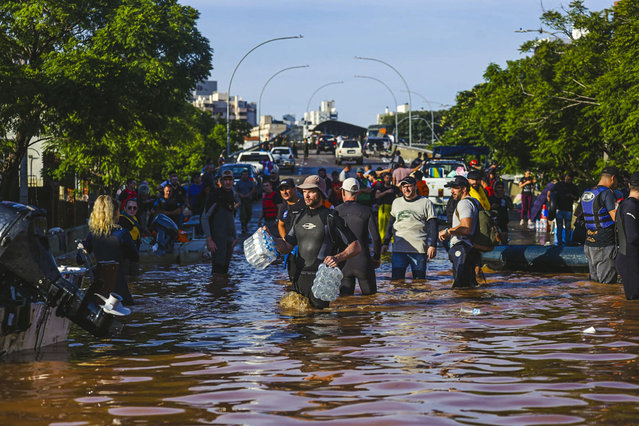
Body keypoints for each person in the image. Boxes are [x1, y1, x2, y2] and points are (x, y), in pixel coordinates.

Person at [271, 175, 361, 309]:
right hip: (299, 278)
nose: (306, 195)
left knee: (319, 323)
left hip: (321, 280)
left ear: (321, 193)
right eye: (304, 191)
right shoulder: (298, 217)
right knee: (297, 323)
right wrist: (271, 239)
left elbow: (356, 246)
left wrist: (337, 258)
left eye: (311, 191)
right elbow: (286, 247)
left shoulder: (331, 217)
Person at [83, 195, 139, 304]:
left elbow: (79, 259)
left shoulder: (91, 235)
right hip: (120, 292)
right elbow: (135, 256)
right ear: (114, 212)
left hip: (99, 294)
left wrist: (84, 243)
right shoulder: (122, 233)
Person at [381, 176, 437, 280]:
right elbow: (391, 224)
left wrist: (433, 245)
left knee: (419, 281)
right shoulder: (396, 202)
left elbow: (433, 225)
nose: (406, 189)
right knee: (396, 281)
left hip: (419, 249)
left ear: (415, 187)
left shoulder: (426, 202)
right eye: (403, 187)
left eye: (409, 186)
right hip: (399, 249)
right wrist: (385, 243)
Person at [335, 178, 381, 296]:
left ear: (343, 192)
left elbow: (331, 239)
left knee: (346, 303)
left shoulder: (336, 211)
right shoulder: (367, 210)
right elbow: (376, 238)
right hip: (363, 261)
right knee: (371, 301)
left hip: (344, 262)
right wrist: (376, 257)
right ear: (359, 192)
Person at [438, 176, 480, 288]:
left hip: (462, 248)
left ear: (464, 189)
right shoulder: (474, 201)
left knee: (459, 287)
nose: (452, 191)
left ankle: (462, 305)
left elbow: (466, 228)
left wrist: (447, 231)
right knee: (470, 287)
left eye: (455, 188)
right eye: (451, 188)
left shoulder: (464, 204)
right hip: (471, 248)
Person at [580, 166, 620, 283]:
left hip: (589, 243)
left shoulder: (587, 192)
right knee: (607, 286)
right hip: (604, 244)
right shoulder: (607, 193)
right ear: (612, 178)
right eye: (617, 181)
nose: (617, 184)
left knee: (595, 283)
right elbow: (615, 218)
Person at [202, 169, 238, 275]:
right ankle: (216, 291)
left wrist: (235, 237)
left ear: (233, 181)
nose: (227, 182)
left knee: (225, 271)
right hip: (217, 239)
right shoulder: (215, 195)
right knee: (217, 271)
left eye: (230, 179)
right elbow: (204, 218)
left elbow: (231, 217)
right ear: (220, 181)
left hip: (229, 239)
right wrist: (209, 239)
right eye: (225, 180)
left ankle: (223, 291)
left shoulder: (233, 194)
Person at [616, 172, 639, 299]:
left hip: (629, 259)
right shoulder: (630, 206)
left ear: (629, 185)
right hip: (630, 262)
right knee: (634, 306)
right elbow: (632, 236)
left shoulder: (626, 204)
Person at [549, 173, 579, 244]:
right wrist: (552, 204)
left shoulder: (573, 187)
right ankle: (559, 241)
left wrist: (571, 195)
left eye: (569, 179)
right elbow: (550, 193)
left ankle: (567, 241)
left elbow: (577, 198)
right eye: (567, 178)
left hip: (568, 209)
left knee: (568, 227)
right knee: (559, 226)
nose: (567, 180)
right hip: (559, 209)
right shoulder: (559, 185)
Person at [118, 198, 141, 276]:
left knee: (134, 278)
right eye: (129, 207)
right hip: (125, 256)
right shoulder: (122, 220)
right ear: (124, 208)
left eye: (134, 208)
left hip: (133, 254)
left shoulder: (134, 218)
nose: (132, 210)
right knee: (127, 277)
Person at [375, 172, 398, 242]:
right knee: (383, 227)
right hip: (383, 209)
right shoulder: (381, 187)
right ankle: (383, 243)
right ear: (384, 179)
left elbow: (400, 196)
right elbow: (377, 195)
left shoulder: (394, 188)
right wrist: (386, 192)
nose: (388, 179)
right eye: (386, 178)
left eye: (389, 178)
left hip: (393, 209)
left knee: (393, 226)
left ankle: (393, 242)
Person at [235, 169, 256, 233]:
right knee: (242, 214)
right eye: (243, 175)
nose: (244, 176)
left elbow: (253, 189)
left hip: (248, 200)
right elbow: (236, 190)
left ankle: (246, 223)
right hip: (241, 200)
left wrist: (249, 194)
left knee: (249, 214)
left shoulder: (250, 182)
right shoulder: (239, 182)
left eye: (246, 175)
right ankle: (243, 225)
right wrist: (240, 194)